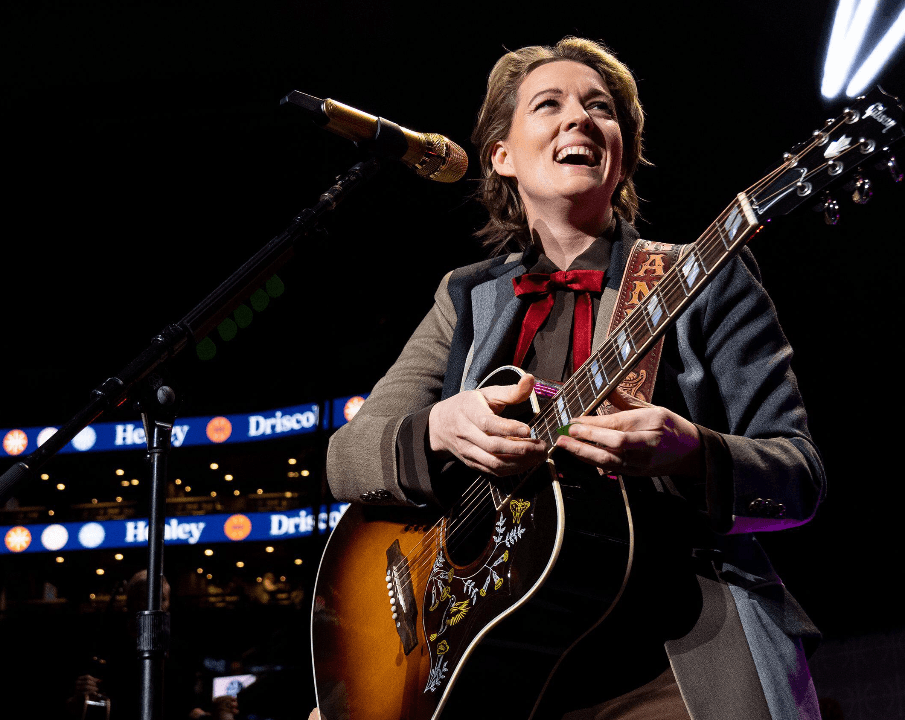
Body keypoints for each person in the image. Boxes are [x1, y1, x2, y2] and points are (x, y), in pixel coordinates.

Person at [325, 37, 826, 720]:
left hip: (674, 658)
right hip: (497, 677)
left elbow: (798, 478)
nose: (581, 118)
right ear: (501, 155)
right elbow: (347, 457)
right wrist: (438, 426)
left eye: (601, 108)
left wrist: (692, 452)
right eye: (549, 104)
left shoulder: (706, 279)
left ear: (622, 154)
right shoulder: (465, 298)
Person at [65, 571, 239, 720]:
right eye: (146, 598)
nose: (155, 605)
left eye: (161, 599)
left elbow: (188, 707)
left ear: (169, 603)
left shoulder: (181, 651)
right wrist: (81, 696)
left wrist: (214, 712)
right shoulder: (105, 646)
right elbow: (79, 705)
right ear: (130, 602)